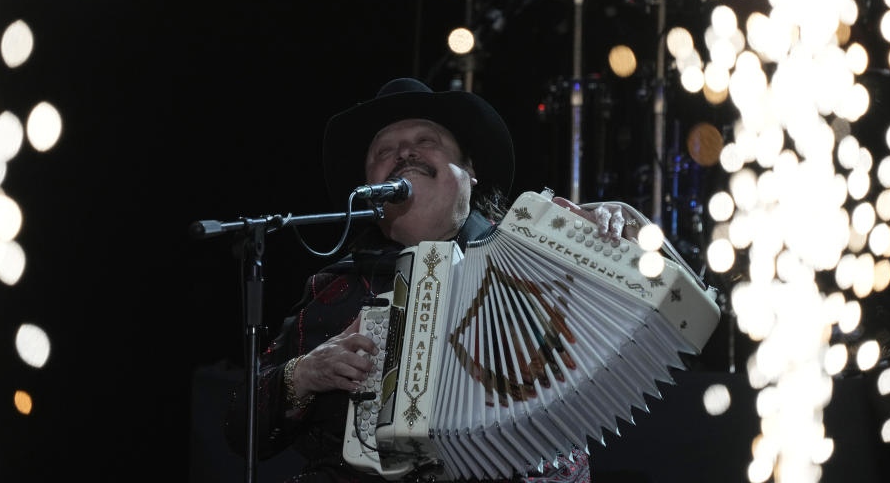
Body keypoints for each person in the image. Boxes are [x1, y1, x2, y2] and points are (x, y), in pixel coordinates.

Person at [224, 77, 630, 482]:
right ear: (371, 191)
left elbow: (640, 319)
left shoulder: (540, 254)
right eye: (384, 151)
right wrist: (302, 375)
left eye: (426, 141)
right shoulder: (331, 289)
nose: (404, 153)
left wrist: (613, 240)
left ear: (469, 172)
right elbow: (241, 430)